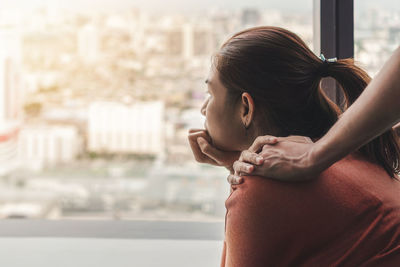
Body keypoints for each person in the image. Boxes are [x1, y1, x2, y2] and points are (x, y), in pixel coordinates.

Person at [188, 26, 400, 266]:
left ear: (245, 108)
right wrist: (237, 164)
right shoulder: (360, 155)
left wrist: (244, 183)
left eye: (211, 93)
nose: (203, 108)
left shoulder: (259, 190)